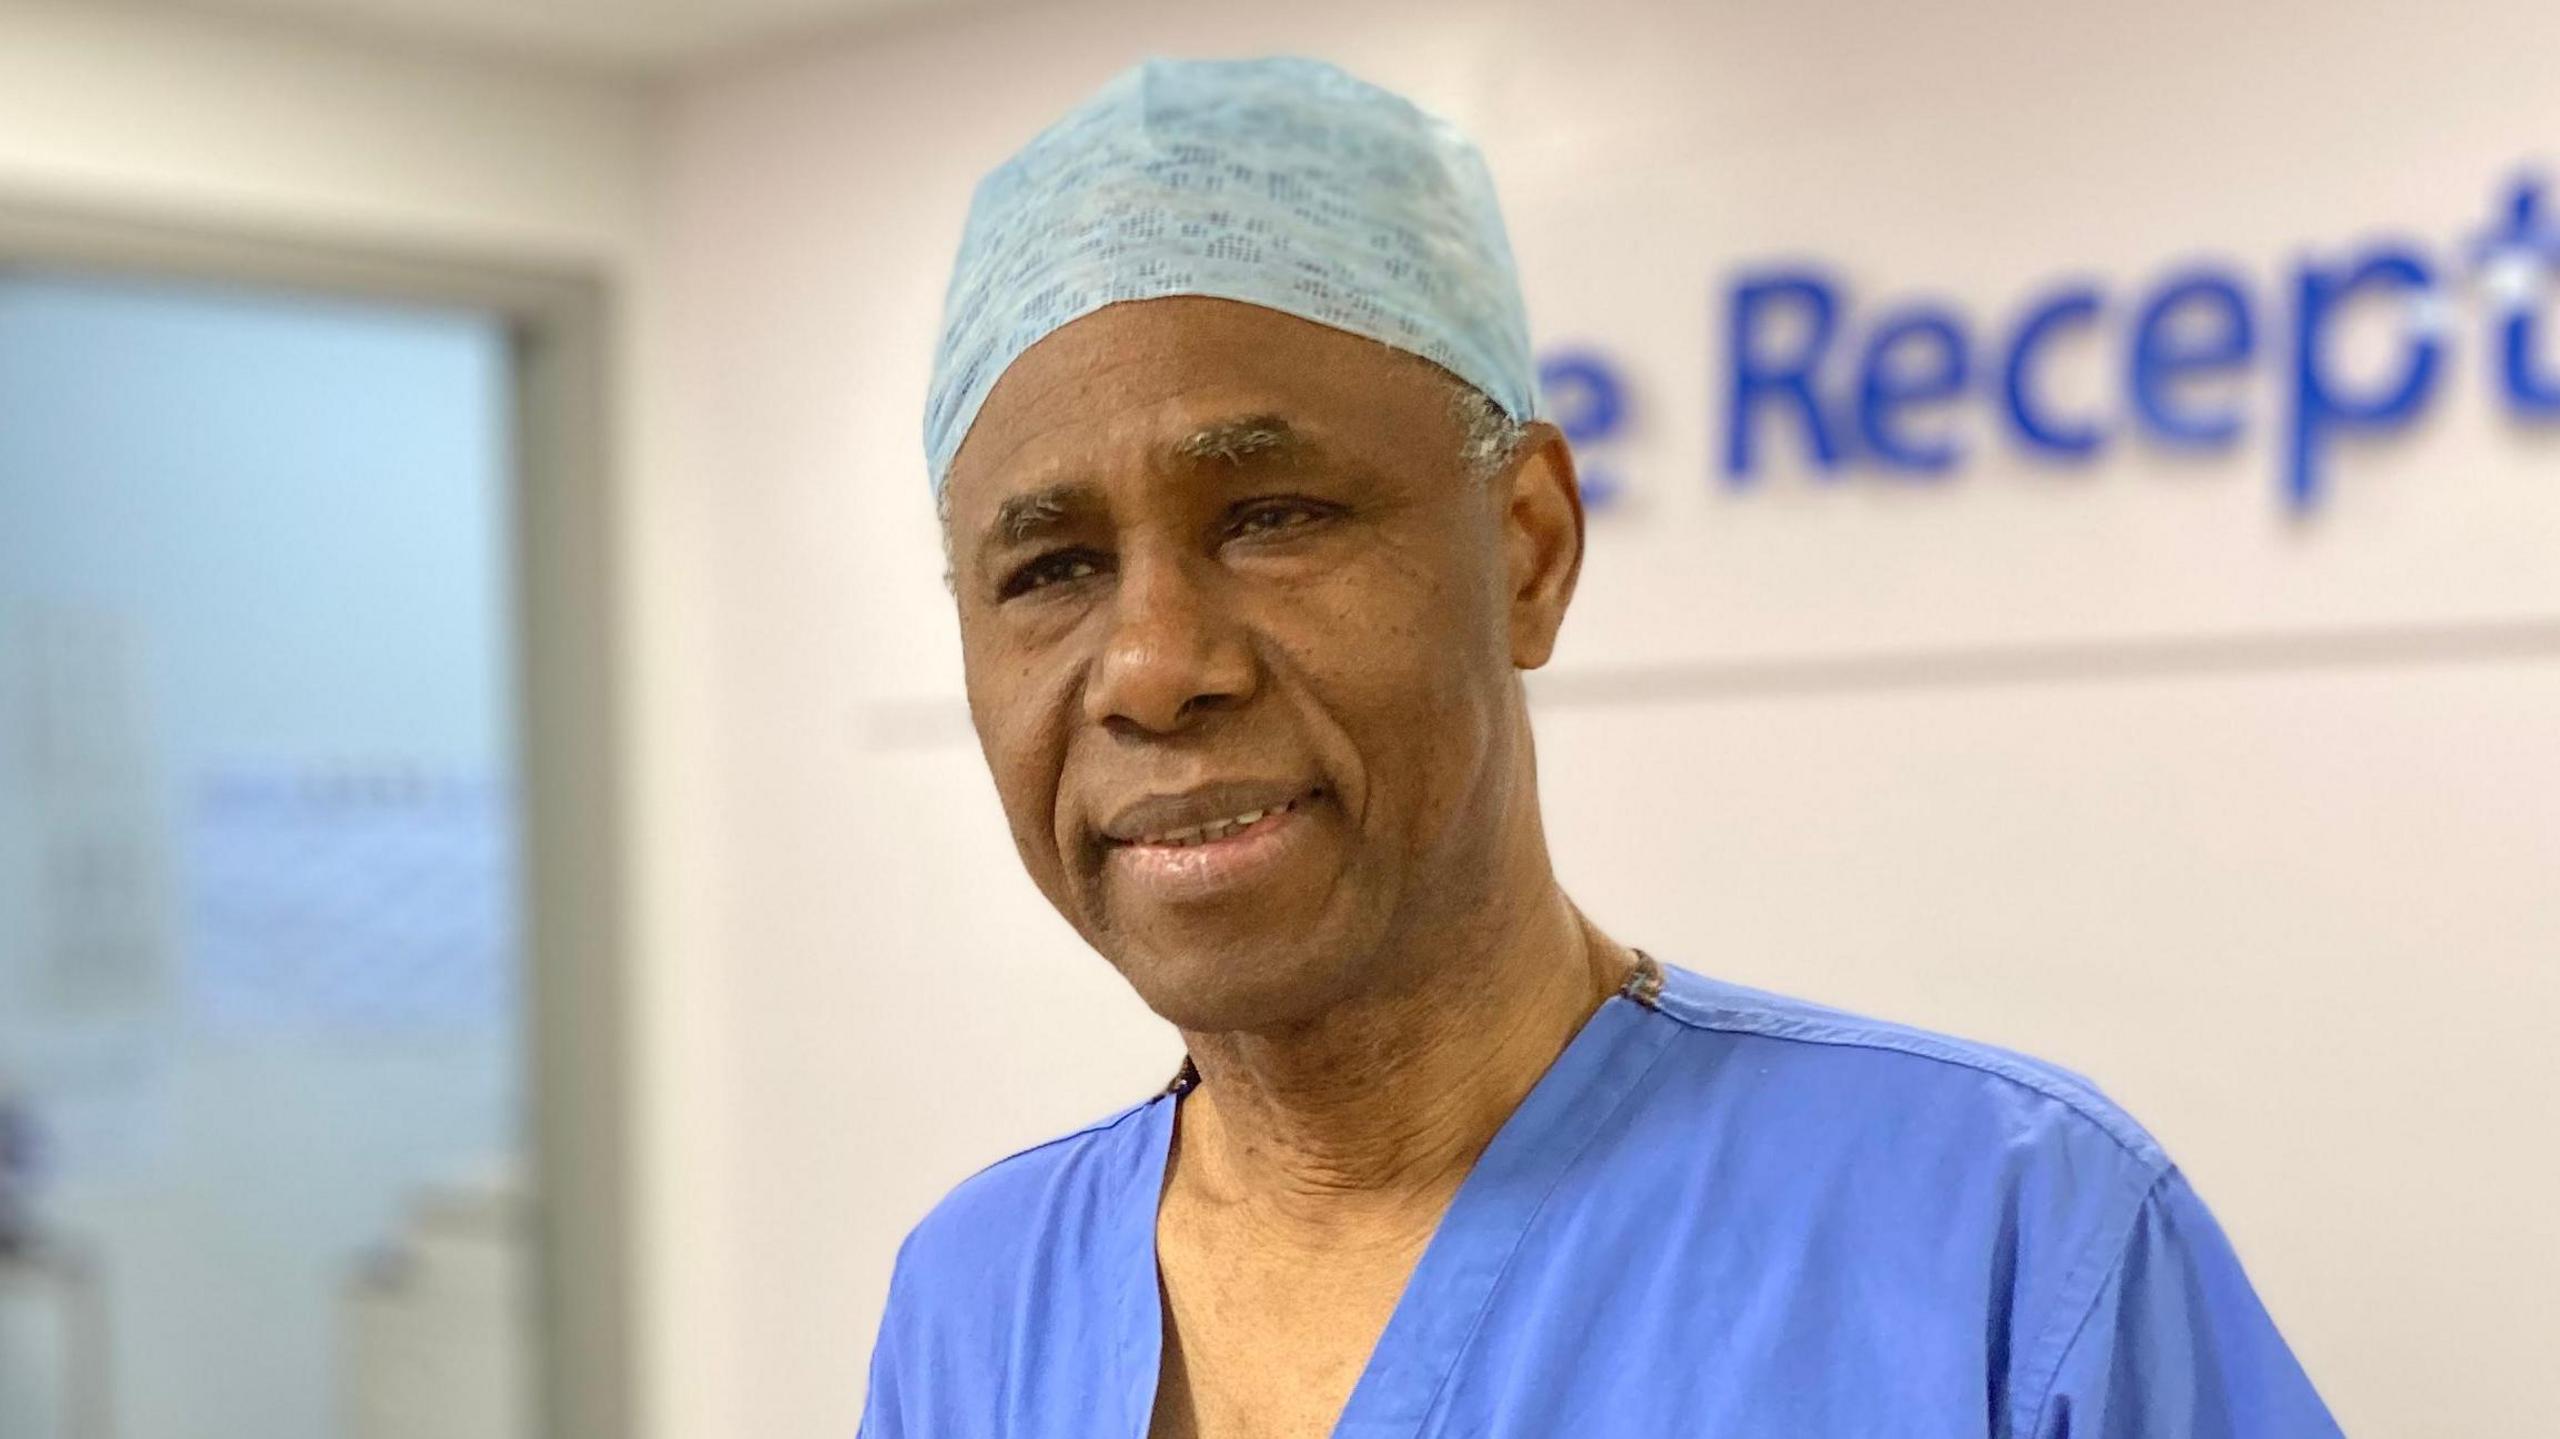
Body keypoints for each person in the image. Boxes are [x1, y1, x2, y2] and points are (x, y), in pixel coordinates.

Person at [862, 55, 2342, 1439]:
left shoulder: (2005, 1249)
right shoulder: (978, 1302)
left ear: (1529, 548)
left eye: (1272, 518)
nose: (1153, 668)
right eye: (1051, 568)